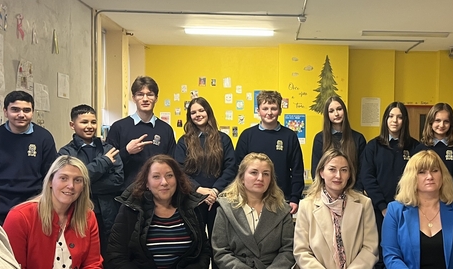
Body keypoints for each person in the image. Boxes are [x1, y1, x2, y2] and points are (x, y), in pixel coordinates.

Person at [58, 104, 124, 269]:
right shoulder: (66, 152)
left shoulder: (108, 149)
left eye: (93, 122)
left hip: (109, 210)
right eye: (84, 122)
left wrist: (85, 181)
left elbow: (117, 180)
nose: (89, 126)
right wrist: (103, 164)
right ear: (72, 125)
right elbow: (71, 183)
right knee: (83, 251)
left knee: (110, 253)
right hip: (80, 210)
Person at [0, 90, 57, 224]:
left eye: (26, 110)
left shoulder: (44, 137)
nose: (21, 115)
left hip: (34, 203)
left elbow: (50, 175)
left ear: (32, 112)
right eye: (15, 110)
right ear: (5, 111)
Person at [173, 97, 237, 237]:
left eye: (201, 110)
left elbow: (231, 168)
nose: (198, 115)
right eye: (193, 112)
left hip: (218, 199)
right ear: (190, 117)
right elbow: (179, 170)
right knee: (196, 242)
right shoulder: (184, 142)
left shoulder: (223, 139)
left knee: (219, 243)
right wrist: (198, 189)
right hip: (193, 199)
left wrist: (214, 191)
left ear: (208, 112)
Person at [235, 90, 304, 214]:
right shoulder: (247, 135)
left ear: (280, 111)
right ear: (258, 110)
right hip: (251, 198)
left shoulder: (289, 136)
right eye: (265, 108)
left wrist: (295, 197)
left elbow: (297, 169)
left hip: (282, 198)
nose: (269, 112)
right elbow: (238, 168)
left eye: (273, 108)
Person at [359, 101, 419, 235]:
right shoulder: (373, 146)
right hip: (379, 211)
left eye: (399, 117)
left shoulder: (415, 147)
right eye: (391, 116)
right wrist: (383, 206)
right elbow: (367, 178)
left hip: (408, 209)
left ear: (405, 120)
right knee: (380, 249)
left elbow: (418, 178)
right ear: (385, 119)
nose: (395, 121)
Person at [106, 76, 176, 189]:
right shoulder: (118, 127)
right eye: (140, 94)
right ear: (133, 98)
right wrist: (127, 151)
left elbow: (172, 165)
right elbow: (108, 164)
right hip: (125, 193)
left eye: (150, 94)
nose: (145, 99)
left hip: (158, 192)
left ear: (156, 98)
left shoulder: (166, 129)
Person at [310, 96, 367, 187]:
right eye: (331, 111)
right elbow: (316, 169)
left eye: (339, 109)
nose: (336, 113)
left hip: (352, 191)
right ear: (327, 115)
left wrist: (356, 191)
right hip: (327, 192)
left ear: (344, 111)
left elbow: (363, 169)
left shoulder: (358, 138)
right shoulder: (320, 138)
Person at [416, 103, 453, 184]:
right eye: (437, 120)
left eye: (446, 121)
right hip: (427, 195)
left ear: (451, 124)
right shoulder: (420, 148)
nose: (441, 125)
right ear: (430, 122)